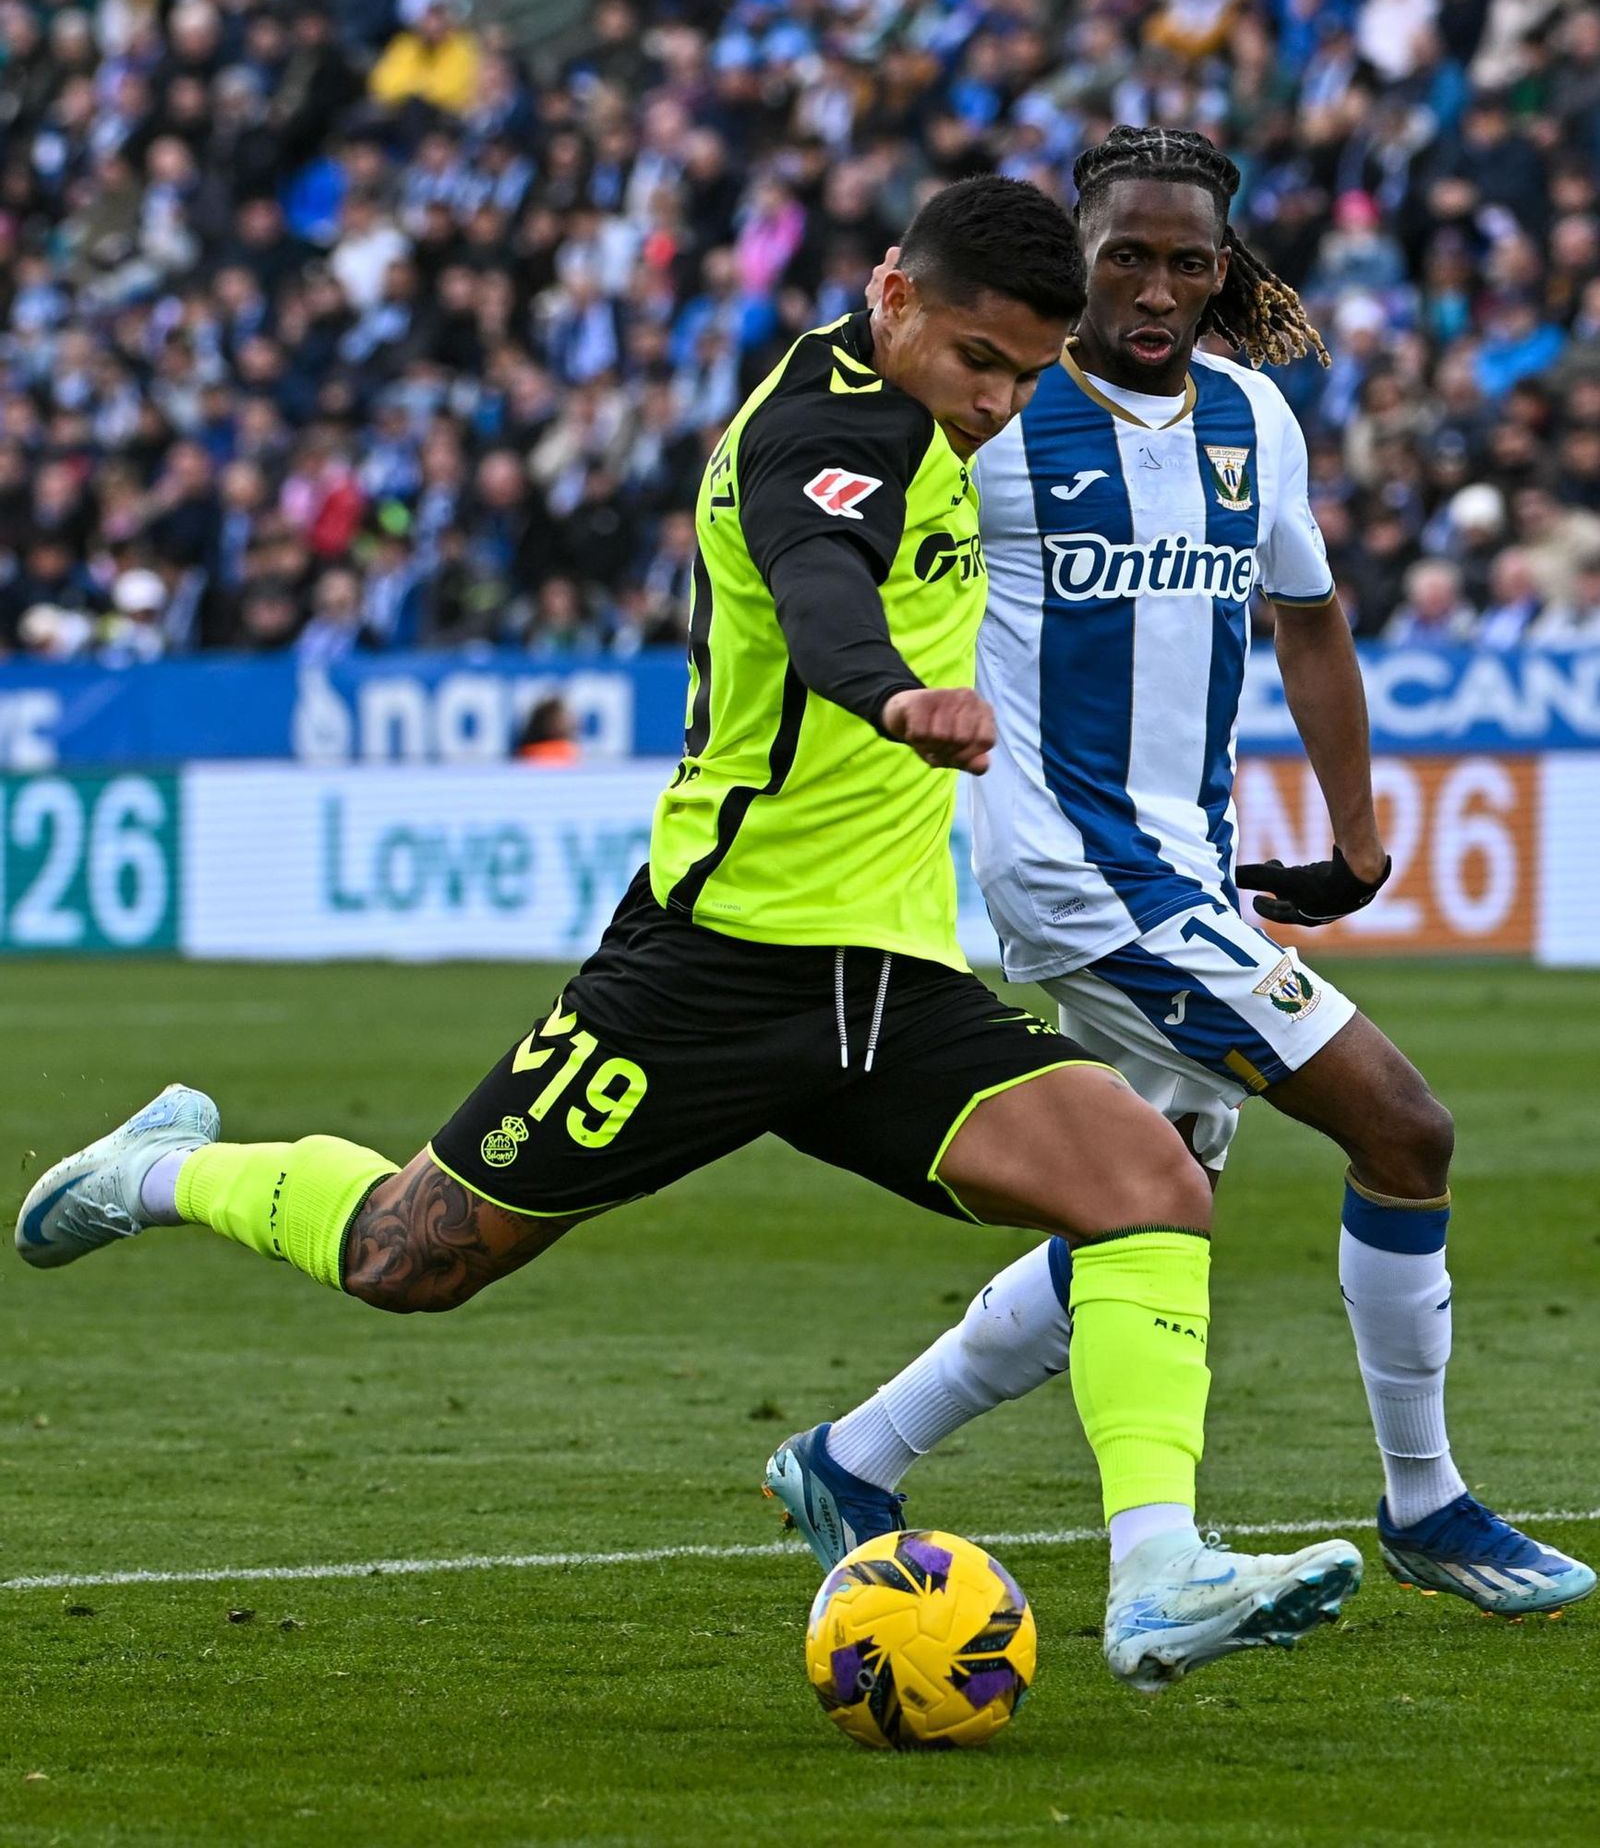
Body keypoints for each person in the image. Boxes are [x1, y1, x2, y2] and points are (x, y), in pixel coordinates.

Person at [16, 175, 1360, 1694]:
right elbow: (818, 592)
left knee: (1147, 1184)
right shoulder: (821, 429)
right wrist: (890, 698)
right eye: (979, 363)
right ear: (892, 295)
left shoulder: (950, 417)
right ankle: (158, 1167)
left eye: (1028, 376)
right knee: (413, 1256)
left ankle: (1158, 1572)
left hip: (896, 986)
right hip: (712, 971)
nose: (998, 404)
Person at [766, 129, 1594, 1620]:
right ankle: (1428, 1504)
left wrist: (1354, 834)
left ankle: (851, 1456)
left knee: (1141, 1210)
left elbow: (1312, 620)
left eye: (1187, 262)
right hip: (1079, 879)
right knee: (1405, 1130)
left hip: (1190, 868)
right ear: (1072, 260)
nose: (1155, 290)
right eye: (1125, 258)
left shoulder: (1253, 418)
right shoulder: (994, 421)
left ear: (1227, 271)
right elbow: (841, 533)